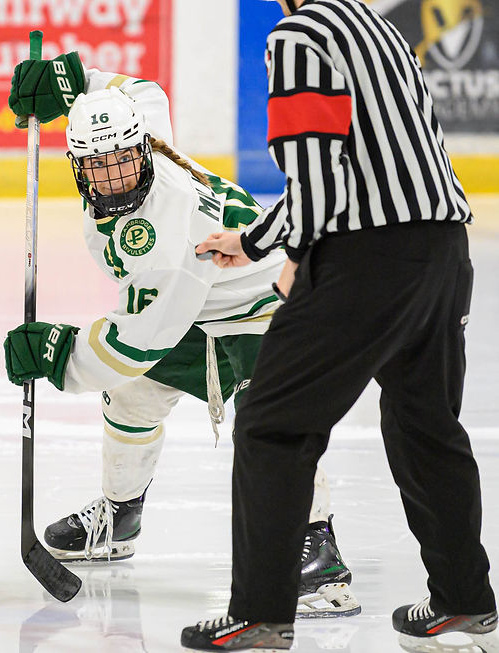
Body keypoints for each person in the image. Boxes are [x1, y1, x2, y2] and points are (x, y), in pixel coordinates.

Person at [178, 0, 498, 651]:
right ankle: (465, 598)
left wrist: (296, 257)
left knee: (271, 425)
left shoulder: (299, 36)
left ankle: (260, 614)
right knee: (425, 425)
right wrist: (254, 239)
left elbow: (316, 178)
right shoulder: (381, 29)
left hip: (366, 259)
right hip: (443, 249)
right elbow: (359, 165)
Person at [4, 54, 358, 617]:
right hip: (206, 304)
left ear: (140, 151)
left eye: (122, 161)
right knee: (132, 394)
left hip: (269, 306)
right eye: (98, 165)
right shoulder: (144, 133)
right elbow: (147, 91)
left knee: (271, 423)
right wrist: (77, 82)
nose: (114, 178)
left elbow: (135, 342)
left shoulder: (163, 236)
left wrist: (61, 355)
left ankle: (316, 550)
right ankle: (120, 516)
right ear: (77, 166)